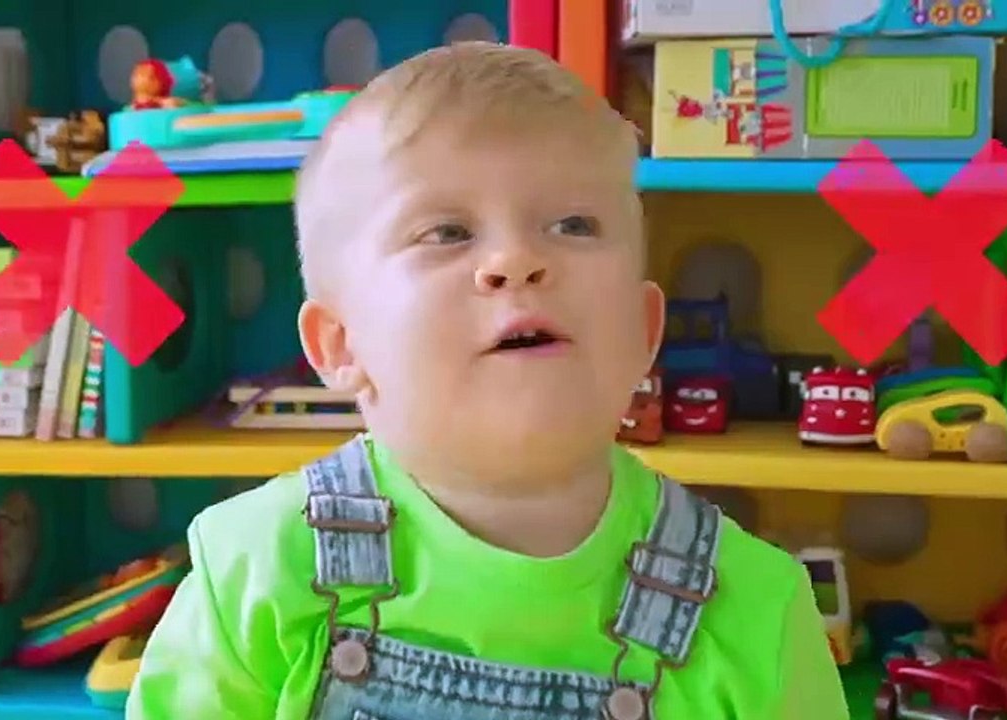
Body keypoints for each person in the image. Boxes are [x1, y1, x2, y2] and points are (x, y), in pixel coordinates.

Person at [126, 42, 849, 720]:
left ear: (642, 331)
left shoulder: (758, 613)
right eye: (446, 233)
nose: (516, 260)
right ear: (340, 344)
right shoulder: (256, 576)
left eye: (572, 224)